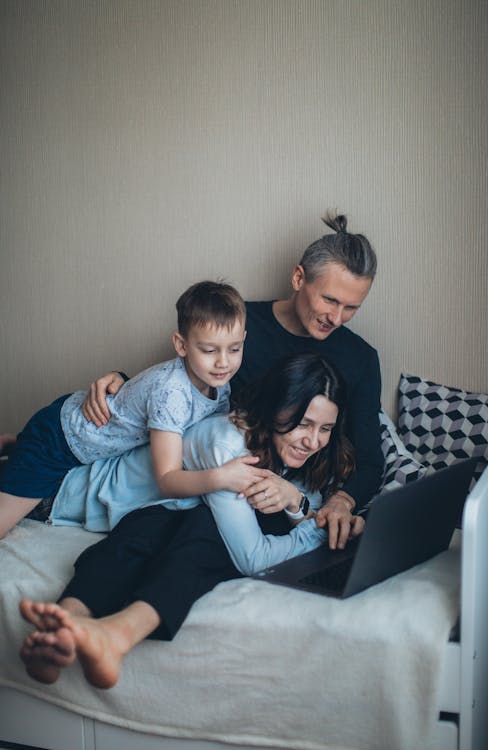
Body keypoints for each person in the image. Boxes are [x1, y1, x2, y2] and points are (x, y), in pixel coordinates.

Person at [19, 353, 361, 689]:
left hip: (149, 514)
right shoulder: (227, 444)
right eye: (303, 424)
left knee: (193, 525)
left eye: (325, 428)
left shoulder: (303, 452)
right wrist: (315, 532)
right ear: (275, 407)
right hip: (59, 492)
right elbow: (252, 558)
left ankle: (71, 628)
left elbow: (310, 501)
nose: (312, 441)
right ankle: (75, 625)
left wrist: (297, 502)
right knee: (197, 528)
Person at [81, 212, 383, 547]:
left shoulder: (361, 360)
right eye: (330, 300)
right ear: (299, 278)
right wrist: (122, 382)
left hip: (289, 495)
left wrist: (342, 501)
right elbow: (178, 387)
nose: (336, 318)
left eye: (351, 308)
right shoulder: (240, 327)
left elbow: (370, 459)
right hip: (222, 479)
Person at [0, 280, 265, 538]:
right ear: (181, 345)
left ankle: (15, 443)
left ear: (244, 339)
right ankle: (24, 445)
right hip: (60, 439)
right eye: (209, 350)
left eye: (234, 349)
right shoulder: (171, 393)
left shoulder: (220, 383)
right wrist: (220, 478)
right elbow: (167, 480)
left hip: (85, 433)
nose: (223, 362)